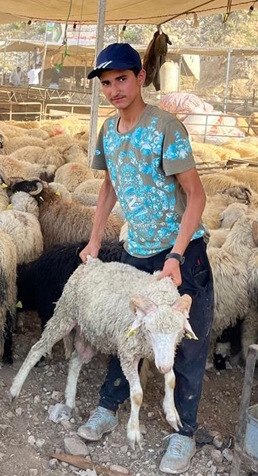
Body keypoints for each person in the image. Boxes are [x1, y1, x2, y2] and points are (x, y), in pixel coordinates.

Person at [76, 42, 214, 475]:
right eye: (106, 83)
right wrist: (95, 240)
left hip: (180, 256)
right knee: (128, 335)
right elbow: (109, 186)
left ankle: (184, 433)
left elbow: (196, 195)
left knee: (186, 342)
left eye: (121, 79)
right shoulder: (108, 131)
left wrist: (177, 255)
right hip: (135, 251)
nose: (114, 90)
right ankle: (108, 407)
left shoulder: (166, 127)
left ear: (140, 77)